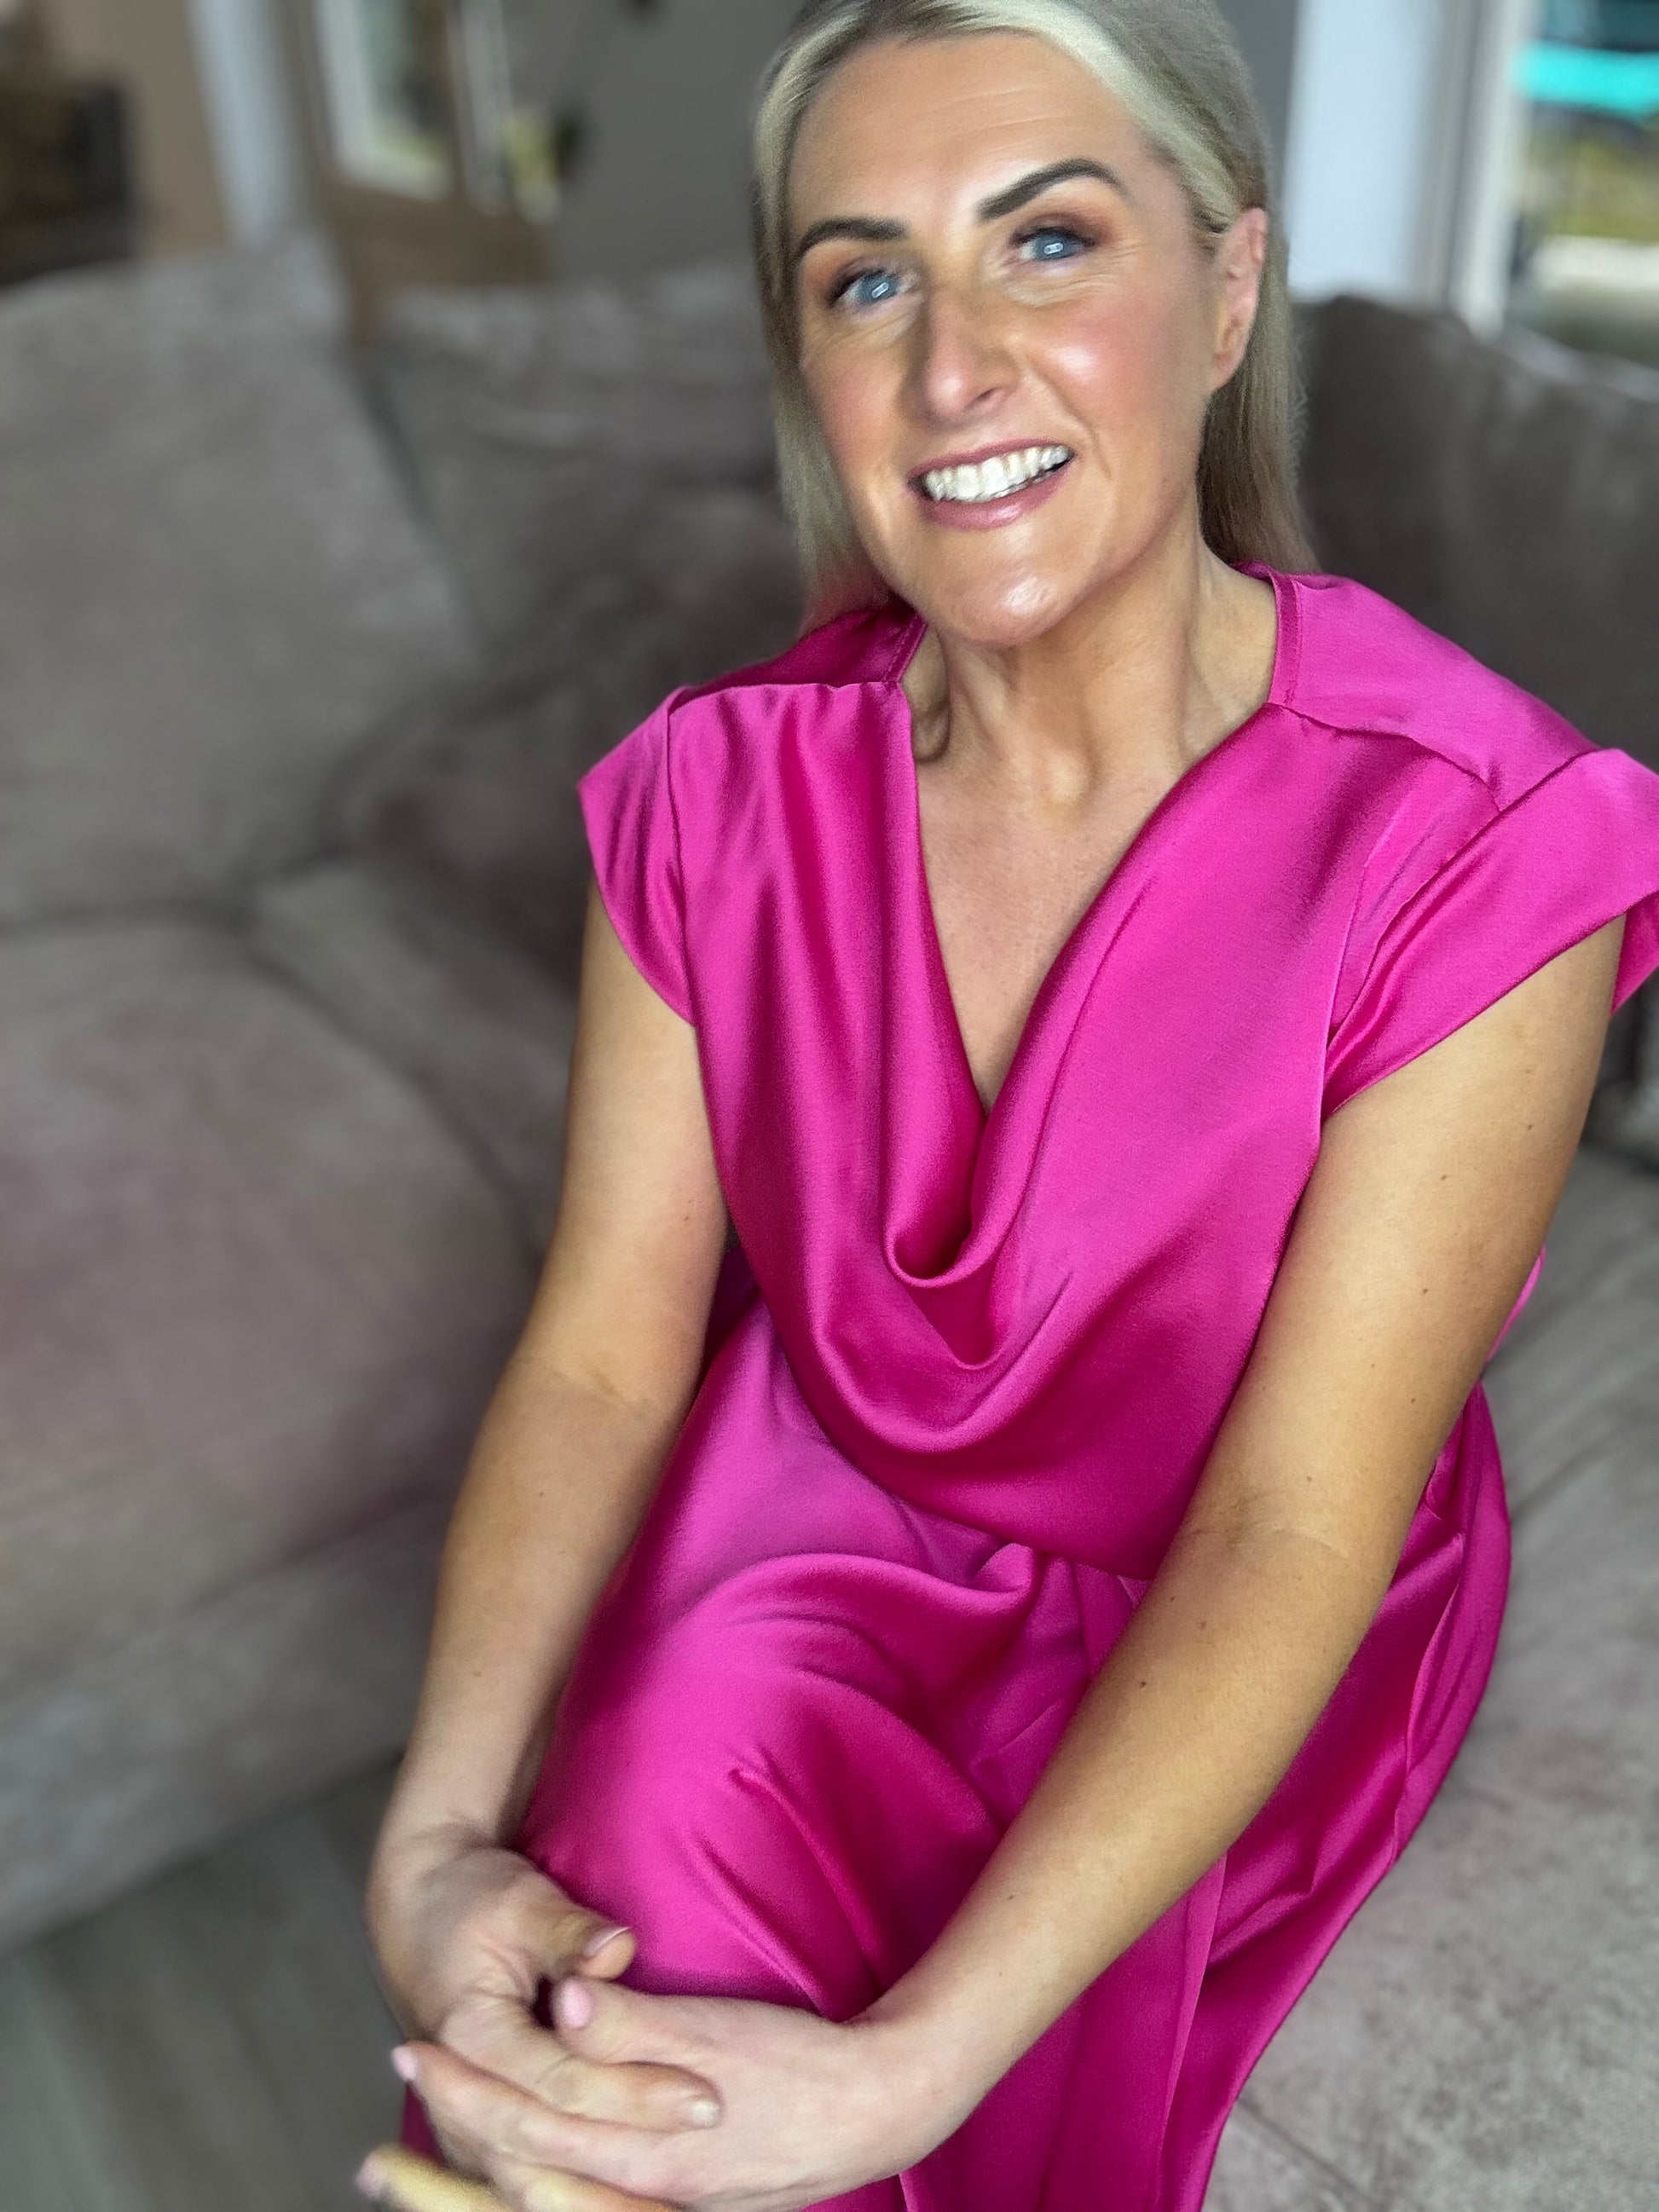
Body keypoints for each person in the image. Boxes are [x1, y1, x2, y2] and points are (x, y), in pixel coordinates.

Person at [355, 3, 1659, 2209]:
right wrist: (430, 1837)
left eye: (1046, 243)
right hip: (821, 1506)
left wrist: (911, 2072)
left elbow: (1294, 1525)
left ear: (1225, 291)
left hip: (1241, 1566)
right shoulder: (709, 799)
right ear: (810, 368)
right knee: (602, 1952)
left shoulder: (1477, 845)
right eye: (866, 279)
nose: (953, 366)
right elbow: (600, 1354)